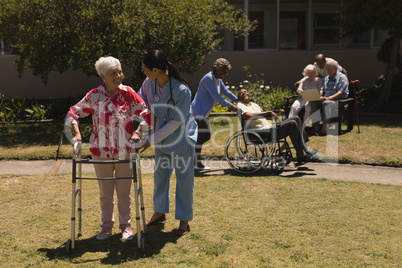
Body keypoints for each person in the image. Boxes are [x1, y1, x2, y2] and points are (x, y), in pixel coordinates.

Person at [65, 56, 152, 241]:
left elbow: (147, 113)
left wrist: (138, 132)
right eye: (114, 73)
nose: (119, 75)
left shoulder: (128, 93)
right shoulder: (94, 95)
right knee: (105, 192)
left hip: (125, 151)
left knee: (124, 192)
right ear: (102, 75)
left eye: (120, 71)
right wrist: (77, 134)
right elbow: (73, 112)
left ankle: (125, 226)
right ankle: (106, 226)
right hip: (101, 152)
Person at [136, 50, 197, 237]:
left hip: (181, 139)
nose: (143, 72)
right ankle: (159, 212)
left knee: (184, 180)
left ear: (155, 70)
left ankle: (184, 220)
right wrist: (141, 126)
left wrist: (150, 140)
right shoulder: (149, 83)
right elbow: (141, 103)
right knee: (160, 176)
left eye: (145, 69)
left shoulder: (182, 90)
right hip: (162, 137)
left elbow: (175, 122)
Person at [237, 89, 319, 165]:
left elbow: (264, 117)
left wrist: (277, 114)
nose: (244, 93)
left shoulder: (254, 105)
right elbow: (247, 116)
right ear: (238, 98)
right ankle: (302, 156)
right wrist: (268, 112)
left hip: (269, 128)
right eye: (241, 93)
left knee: (296, 118)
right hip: (260, 132)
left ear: (249, 95)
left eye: (245, 91)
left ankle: (305, 150)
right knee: (292, 124)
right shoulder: (240, 105)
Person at [191, 58, 238, 171]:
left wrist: (237, 100)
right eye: (224, 72)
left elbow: (225, 91)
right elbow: (216, 97)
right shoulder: (208, 78)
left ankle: (194, 161)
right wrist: (231, 106)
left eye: (226, 72)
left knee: (204, 136)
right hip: (198, 112)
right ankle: (195, 163)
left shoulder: (217, 80)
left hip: (204, 114)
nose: (225, 75)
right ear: (217, 69)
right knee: (201, 137)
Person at [289, 64, 323, 134]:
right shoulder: (303, 80)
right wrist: (302, 92)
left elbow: (321, 90)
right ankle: (289, 124)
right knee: (294, 107)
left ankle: (304, 126)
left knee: (308, 107)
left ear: (316, 72)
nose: (311, 74)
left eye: (313, 72)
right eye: (309, 73)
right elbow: (299, 89)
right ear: (306, 73)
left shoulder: (319, 80)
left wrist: (317, 95)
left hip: (312, 99)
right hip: (302, 97)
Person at [319, 60, 349, 135]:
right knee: (312, 102)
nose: (327, 71)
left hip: (339, 101)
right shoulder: (326, 78)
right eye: (326, 69)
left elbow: (340, 93)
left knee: (326, 103)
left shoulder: (342, 78)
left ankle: (324, 129)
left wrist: (329, 98)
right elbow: (323, 90)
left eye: (329, 69)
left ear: (335, 69)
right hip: (327, 99)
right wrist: (321, 96)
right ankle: (315, 127)